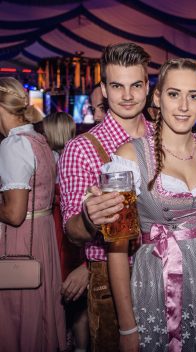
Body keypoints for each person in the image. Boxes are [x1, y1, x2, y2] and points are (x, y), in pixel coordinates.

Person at [96, 58, 196, 351]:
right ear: (157, 98)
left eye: (193, 96)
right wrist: (127, 327)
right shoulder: (129, 155)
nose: (183, 106)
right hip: (156, 278)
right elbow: (116, 247)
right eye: (173, 94)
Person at [59, 42, 155, 352]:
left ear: (147, 86)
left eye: (135, 85)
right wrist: (89, 218)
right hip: (111, 282)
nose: (127, 95)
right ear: (104, 89)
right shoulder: (82, 149)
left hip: (169, 271)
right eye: (117, 86)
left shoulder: (166, 137)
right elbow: (71, 231)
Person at [0, 77, 66, 352]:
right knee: (40, 310)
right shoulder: (40, 141)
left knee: (16, 312)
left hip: (19, 241)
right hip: (42, 237)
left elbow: (14, 213)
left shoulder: (13, 146)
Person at [43, 112, 89, 352]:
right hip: (80, 232)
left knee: (62, 290)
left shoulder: (48, 159)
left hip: (60, 231)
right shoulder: (77, 155)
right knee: (78, 299)